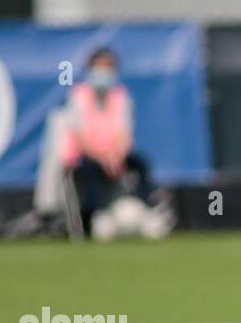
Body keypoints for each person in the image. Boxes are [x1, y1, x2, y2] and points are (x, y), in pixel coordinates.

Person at [58, 47, 173, 239]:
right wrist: (103, 159)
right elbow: (79, 137)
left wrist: (116, 156)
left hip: (114, 154)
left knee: (140, 162)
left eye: (108, 67)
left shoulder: (120, 96)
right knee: (89, 168)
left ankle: (148, 211)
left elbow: (123, 132)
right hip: (86, 156)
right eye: (99, 67)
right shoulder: (77, 96)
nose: (103, 73)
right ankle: (99, 216)